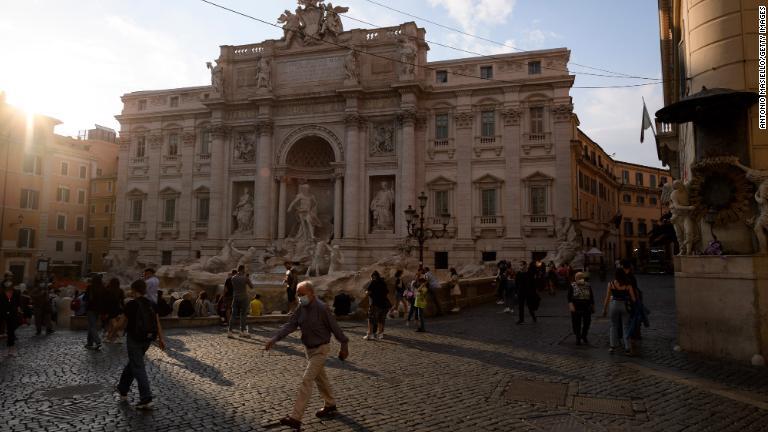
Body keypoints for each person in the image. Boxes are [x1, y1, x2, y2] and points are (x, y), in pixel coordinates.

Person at [265, 281, 349, 430]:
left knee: (307, 379)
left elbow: (335, 328)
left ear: (311, 293)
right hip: (308, 349)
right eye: (298, 294)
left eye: (302, 294)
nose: (300, 297)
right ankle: (330, 404)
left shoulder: (322, 308)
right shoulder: (301, 307)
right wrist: (275, 338)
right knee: (320, 378)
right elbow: (291, 324)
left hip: (321, 349)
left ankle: (295, 417)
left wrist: (344, 345)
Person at [117, 279, 166, 410]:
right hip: (147, 339)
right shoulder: (151, 303)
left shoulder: (131, 304)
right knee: (133, 363)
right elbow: (157, 323)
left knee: (138, 366)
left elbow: (122, 324)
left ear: (133, 290)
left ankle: (146, 398)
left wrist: (113, 329)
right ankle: (122, 389)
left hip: (134, 338)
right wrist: (161, 339)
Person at [602, 269, 636, 355]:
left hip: (614, 305)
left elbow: (607, 297)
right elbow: (633, 298)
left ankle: (612, 346)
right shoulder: (628, 284)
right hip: (625, 305)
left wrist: (604, 309)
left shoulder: (611, 284)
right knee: (626, 326)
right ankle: (627, 348)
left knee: (613, 325)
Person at [568, 272, 594, 345]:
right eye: (578, 278)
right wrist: (571, 305)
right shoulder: (572, 285)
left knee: (587, 322)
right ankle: (578, 337)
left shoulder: (588, 285)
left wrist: (593, 305)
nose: (579, 279)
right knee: (577, 323)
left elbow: (591, 297)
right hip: (576, 307)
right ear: (575, 279)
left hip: (586, 307)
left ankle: (584, 335)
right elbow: (569, 297)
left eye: (581, 278)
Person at [363, 271, 390, 341]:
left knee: (371, 319)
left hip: (375, 304)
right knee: (381, 319)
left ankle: (369, 334)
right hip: (384, 304)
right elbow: (387, 292)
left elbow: (368, 292)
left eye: (371, 277)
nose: (371, 279)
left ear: (373, 276)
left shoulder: (373, 282)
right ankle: (380, 335)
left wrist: (366, 292)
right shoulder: (383, 282)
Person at [228, 265, 254, 338]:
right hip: (243, 297)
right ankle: (242, 331)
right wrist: (248, 278)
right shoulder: (245, 278)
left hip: (235, 297)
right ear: (243, 270)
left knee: (233, 315)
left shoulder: (233, 278)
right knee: (243, 315)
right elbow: (252, 286)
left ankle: (230, 331)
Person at [1, 272, 22, 357]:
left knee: (11, 330)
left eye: (11, 277)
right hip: (2, 311)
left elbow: (18, 301)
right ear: (5, 278)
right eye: (8, 277)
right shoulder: (1, 289)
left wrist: (19, 308)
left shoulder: (15, 290)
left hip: (12, 312)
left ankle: (11, 349)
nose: (9, 279)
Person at [85, 276, 108, 351]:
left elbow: (85, 298)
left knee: (92, 326)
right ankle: (89, 343)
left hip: (90, 308)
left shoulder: (90, 288)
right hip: (99, 309)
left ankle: (98, 342)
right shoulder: (103, 288)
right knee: (91, 325)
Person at [105, 278, 126, 343]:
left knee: (113, 324)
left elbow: (105, 301)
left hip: (110, 309)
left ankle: (110, 337)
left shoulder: (107, 290)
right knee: (114, 324)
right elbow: (122, 301)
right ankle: (114, 337)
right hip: (117, 309)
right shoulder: (120, 291)